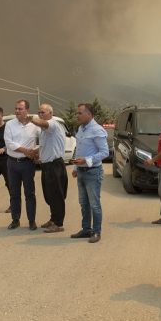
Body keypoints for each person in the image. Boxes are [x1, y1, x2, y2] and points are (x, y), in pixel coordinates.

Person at [70, 103, 109, 243]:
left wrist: (87, 160)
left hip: (93, 172)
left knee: (94, 204)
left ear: (89, 114)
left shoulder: (97, 130)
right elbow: (79, 149)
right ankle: (86, 229)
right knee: (83, 203)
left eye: (80, 113)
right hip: (81, 172)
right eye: (77, 113)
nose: (77, 116)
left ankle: (97, 232)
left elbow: (105, 152)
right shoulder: (81, 129)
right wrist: (76, 168)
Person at [30, 103, 68, 233]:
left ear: (51, 113)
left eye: (43, 112)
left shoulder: (52, 124)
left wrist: (30, 118)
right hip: (47, 165)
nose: (40, 114)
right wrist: (37, 153)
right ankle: (53, 219)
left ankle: (58, 224)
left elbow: (43, 123)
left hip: (54, 165)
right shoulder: (44, 130)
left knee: (57, 195)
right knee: (50, 195)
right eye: (39, 112)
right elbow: (46, 146)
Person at [4, 99, 40, 230]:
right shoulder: (10, 124)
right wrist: (26, 151)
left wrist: (36, 152)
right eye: (16, 108)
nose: (17, 111)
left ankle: (31, 221)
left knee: (29, 193)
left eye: (20, 109)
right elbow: (9, 143)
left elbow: (43, 138)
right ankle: (15, 220)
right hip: (12, 163)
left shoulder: (34, 124)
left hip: (27, 164)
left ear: (27, 110)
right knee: (14, 193)